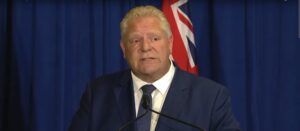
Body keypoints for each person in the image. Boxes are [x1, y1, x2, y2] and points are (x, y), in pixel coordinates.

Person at [69, 5, 240, 131]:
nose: (145, 47)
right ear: (123, 48)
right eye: (135, 40)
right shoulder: (98, 93)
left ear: (170, 44)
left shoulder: (211, 96)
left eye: (155, 38)